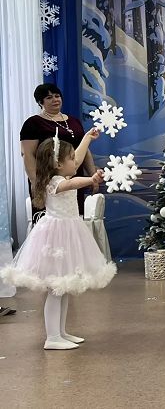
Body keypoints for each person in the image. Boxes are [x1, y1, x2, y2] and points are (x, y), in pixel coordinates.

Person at [0, 128, 116, 349]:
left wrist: (87, 138)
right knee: (56, 289)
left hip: (69, 232)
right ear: (58, 164)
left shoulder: (61, 174)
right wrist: (91, 178)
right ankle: (52, 337)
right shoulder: (55, 182)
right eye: (70, 159)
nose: (76, 162)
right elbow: (71, 184)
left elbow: (78, 157)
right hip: (56, 238)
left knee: (63, 288)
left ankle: (61, 332)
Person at [21, 84, 98, 220]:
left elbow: (84, 149)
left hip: (74, 174)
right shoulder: (32, 123)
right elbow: (27, 154)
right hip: (48, 179)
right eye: (49, 97)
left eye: (57, 96)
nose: (55, 100)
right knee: (50, 220)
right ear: (40, 102)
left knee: (74, 218)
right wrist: (36, 182)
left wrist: (93, 175)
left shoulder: (74, 121)